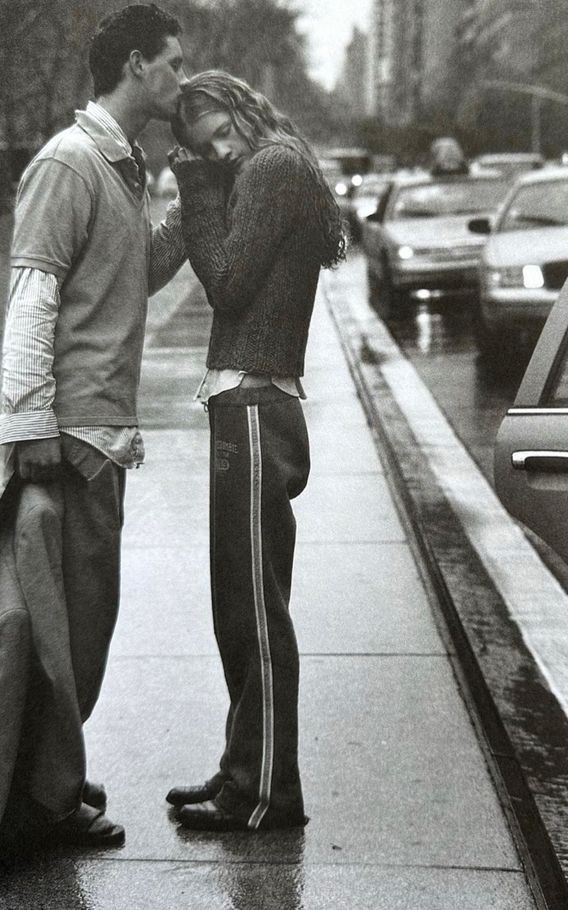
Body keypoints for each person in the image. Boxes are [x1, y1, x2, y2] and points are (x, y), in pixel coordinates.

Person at [0, 3, 188, 848]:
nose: (181, 80)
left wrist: (201, 199)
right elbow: (32, 299)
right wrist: (28, 423)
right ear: (138, 65)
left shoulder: (121, 168)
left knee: (82, 622)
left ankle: (50, 778)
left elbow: (129, 275)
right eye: (174, 65)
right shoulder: (70, 165)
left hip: (95, 433)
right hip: (68, 436)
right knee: (60, 629)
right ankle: (41, 804)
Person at [164, 71, 345, 832]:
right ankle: (246, 768)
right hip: (249, 401)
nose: (214, 144)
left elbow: (229, 283)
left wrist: (198, 187)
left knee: (254, 610)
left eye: (217, 126)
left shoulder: (270, 167)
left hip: (254, 403)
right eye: (201, 140)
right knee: (239, 601)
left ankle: (267, 791)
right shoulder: (276, 165)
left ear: (241, 105)